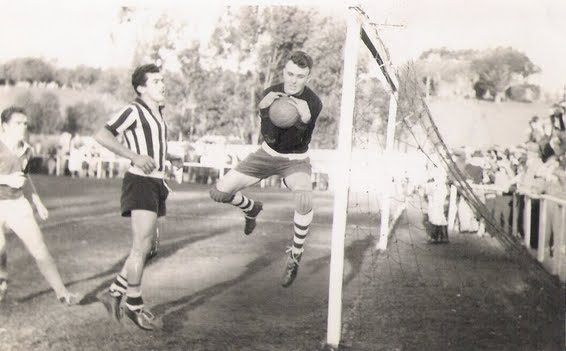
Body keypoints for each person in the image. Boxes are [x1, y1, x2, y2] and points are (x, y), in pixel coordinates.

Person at [209, 51, 323, 288]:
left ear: (307, 77)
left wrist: (303, 119)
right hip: (266, 154)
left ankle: (295, 255)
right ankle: (251, 209)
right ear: (284, 72)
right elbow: (271, 137)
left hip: (295, 160)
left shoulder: (313, 102)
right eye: (290, 74)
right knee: (219, 192)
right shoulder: (270, 93)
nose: (293, 80)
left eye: (300, 76)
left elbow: (294, 142)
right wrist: (263, 111)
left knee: (304, 197)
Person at [95, 63, 180, 330]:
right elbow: (102, 135)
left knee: (150, 248)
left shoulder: (158, 114)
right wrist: (133, 156)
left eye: (162, 80)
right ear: (141, 88)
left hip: (156, 182)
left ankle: (114, 292)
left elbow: (152, 148)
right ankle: (134, 304)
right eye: (156, 81)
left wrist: (168, 159)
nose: (162, 84)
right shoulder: (134, 110)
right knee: (141, 245)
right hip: (140, 182)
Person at [0, 106, 77, 305]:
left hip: (17, 204)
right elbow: (12, 178)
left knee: (40, 249)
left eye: (25, 123)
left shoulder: (27, 150)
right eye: (17, 123)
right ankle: (2, 280)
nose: (23, 127)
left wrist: (37, 201)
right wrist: (6, 180)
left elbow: (25, 178)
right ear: (4, 127)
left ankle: (62, 293)